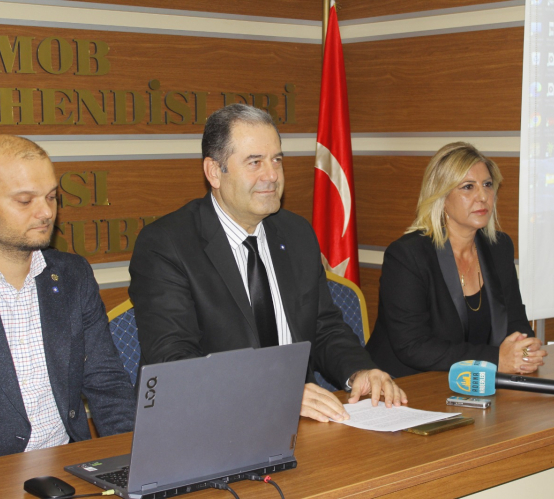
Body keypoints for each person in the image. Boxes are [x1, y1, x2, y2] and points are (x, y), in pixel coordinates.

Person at [129, 104, 407, 423]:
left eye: (277, 160)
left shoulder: (296, 233)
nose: (272, 175)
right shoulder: (167, 244)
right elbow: (175, 362)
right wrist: (277, 393)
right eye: (255, 162)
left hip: (301, 420)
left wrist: (360, 370)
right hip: (209, 422)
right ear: (214, 171)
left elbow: (323, 327)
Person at [0, 135, 135, 470]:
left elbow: (108, 384)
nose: (45, 212)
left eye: (51, 197)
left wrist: (136, 466)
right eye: (25, 201)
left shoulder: (73, 275)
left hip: (69, 467)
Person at [366, 142, 547, 377]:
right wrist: (495, 360)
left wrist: (524, 351)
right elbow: (414, 346)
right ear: (441, 196)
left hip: (472, 383)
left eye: (487, 185)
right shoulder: (407, 256)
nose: (482, 196)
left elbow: (515, 322)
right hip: (405, 384)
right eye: (468, 187)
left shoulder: (499, 247)